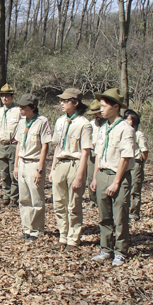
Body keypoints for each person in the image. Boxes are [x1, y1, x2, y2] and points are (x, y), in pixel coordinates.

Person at [90, 88, 135, 266]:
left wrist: (116, 182)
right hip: (102, 174)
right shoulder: (103, 128)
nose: (100, 109)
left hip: (119, 177)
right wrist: (95, 177)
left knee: (120, 216)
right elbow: (99, 154)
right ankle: (106, 249)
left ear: (116, 107)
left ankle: (120, 251)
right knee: (104, 216)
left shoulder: (125, 128)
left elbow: (125, 157)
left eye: (104, 106)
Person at [50, 88, 92, 249]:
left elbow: (85, 151)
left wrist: (80, 176)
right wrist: (53, 168)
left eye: (65, 101)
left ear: (75, 103)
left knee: (74, 204)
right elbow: (57, 146)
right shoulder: (60, 121)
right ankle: (63, 236)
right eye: (61, 100)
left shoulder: (84, 124)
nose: (61, 103)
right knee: (59, 203)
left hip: (75, 164)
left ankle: (73, 239)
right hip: (61, 164)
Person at [13, 94, 51, 241]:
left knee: (36, 199)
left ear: (33, 107)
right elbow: (18, 144)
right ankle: (27, 228)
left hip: (34, 163)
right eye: (20, 106)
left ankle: (36, 230)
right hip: (22, 162)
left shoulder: (42, 121)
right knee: (24, 199)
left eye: (24, 107)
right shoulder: (22, 122)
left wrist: (40, 169)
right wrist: (16, 165)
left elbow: (45, 146)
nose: (20, 109)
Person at [0, 83, 21, 206]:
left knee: (14, 172)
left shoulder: (18, 111)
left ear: (12, 97)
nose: (4, 98)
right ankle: (6, 194)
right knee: (4, 172)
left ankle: (14, 196)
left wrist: (17, 139)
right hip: (1, 146)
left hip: (13, 145)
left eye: (7, 96)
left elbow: (22, 127)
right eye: (2, 96)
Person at [124, 110, 149, 221]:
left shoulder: (138, 134)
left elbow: (144, 151)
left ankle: (134, 213)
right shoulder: (124, 133)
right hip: (125, 163)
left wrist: (140, 162)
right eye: (125, 118)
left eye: (128, 119)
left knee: (135, 188)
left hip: (136, 162)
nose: (126, 121)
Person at [86, 99, 104, 209]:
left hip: (104, 155)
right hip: (92, 154)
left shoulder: (107, 124)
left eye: (98, 113)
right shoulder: (91, 124)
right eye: (94, 114)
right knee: (91, 177)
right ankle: (93, 200)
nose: (96, 116)